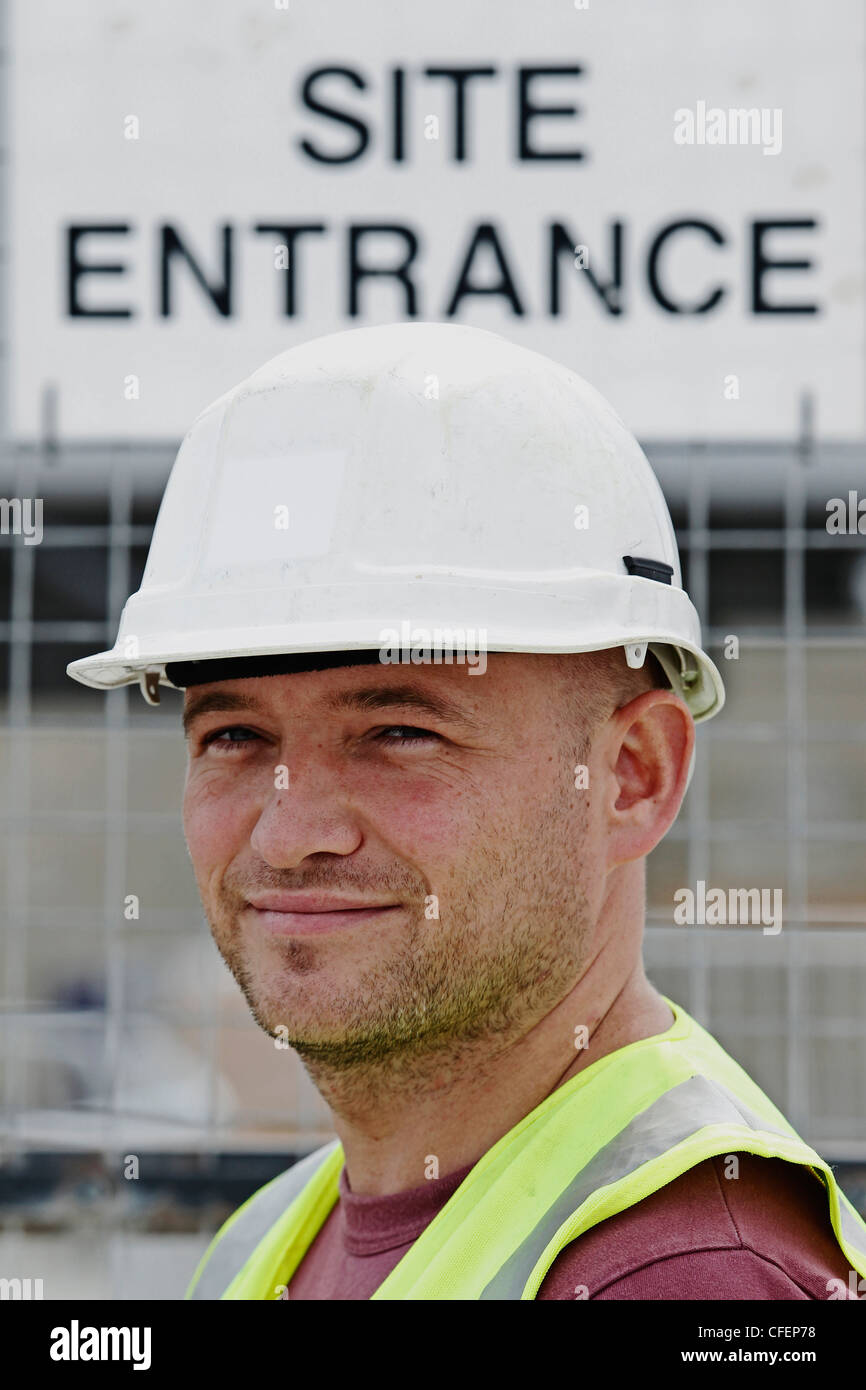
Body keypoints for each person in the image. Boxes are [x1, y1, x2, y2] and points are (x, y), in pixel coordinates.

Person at [67, 321, 866, 1300]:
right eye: (234, 737)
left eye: (400, 733)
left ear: (632, 777)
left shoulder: (688, 1276)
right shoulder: (266, 1242)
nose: (290, 830)